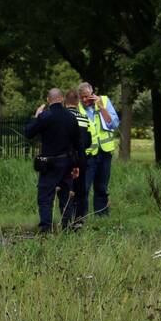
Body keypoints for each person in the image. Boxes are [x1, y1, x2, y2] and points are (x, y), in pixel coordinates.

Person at [25, 88, 84, 233]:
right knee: (66, 197)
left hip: (49, 164)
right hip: (67, 163)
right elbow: (78, 143)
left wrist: (36, 116)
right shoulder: (71, 117)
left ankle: (45, 229)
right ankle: (67, 227)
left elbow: (29, 133)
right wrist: (77, 165)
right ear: (62, 98)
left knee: (45, 197)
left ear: (48, 100)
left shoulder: (46, 116)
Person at [78, 82, 120, 217]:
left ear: (92, 94)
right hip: (88, 154)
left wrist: (101, 107)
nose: (85, 100)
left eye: (87, 97)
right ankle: (81, 216)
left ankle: (101, 215)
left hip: (105, 152)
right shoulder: (78, 108)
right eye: (82, 97)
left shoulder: (105, 101)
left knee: (101, 187)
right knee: (84, 187)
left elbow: (113, 124)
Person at [64, 89, 90, 226]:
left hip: (65, 158)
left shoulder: (63, 117)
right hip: (81, 159)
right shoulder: (84, 118)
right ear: (78, 102)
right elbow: (87, 141)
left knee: (66, 190)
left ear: (65, 102)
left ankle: (66, 219)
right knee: (80, 190)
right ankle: (78, 220)